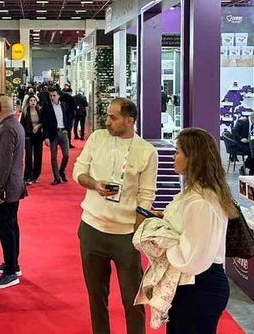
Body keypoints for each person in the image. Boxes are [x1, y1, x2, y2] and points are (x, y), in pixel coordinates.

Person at [73, 98, 158, 334]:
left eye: (113, 117)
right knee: (96, 296)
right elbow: (78, 171)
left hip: (125, 234)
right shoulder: (97, 138)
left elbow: (146, 196)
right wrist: (94, 184)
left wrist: (136, 233)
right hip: (91, 228)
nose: (107, 121)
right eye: (108, 116)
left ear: (130, 121)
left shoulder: (146, 151)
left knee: (133, 299)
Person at [158, 127, 234, 333]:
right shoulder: (197, 193)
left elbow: (193, 257)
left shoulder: (201, 202)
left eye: (178, 152)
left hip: (200, 285)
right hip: (193, 284)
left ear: (192, 158)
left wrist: (161, 238)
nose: (174, 157)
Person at [0, 94, 26, 289]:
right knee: (11, 226)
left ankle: (10, 271)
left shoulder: (7, 128)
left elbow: (4, 162)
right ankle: (12, 264)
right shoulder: (12, 125)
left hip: (6, 188)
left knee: (6, 229)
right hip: (11, 186)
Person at [41, 89, 72, 185]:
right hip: (52, 134)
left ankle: (62, 170)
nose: (52, 97)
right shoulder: (47, 107)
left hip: (63, 132)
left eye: (54, 95)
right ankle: (57, 177)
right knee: (53, 157)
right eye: (50, 96)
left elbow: (69, 117)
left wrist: (68, 129)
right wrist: (46, 137)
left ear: (58, 96)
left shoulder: (64, 105)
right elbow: (45, 123)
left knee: (66, 155)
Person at [20, 95, 44, 184]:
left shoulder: (40, 111)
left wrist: (38, 126)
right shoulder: (25, 112)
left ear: (36, 102)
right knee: (29, 156)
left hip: (38, 136)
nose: (33, 102)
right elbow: (21, 124)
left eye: (34, 100)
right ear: (28, 102)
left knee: (38, 155)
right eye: (31, 100)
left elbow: (43, 122)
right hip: (28, 136)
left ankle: (35, 175)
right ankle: (27, 176)